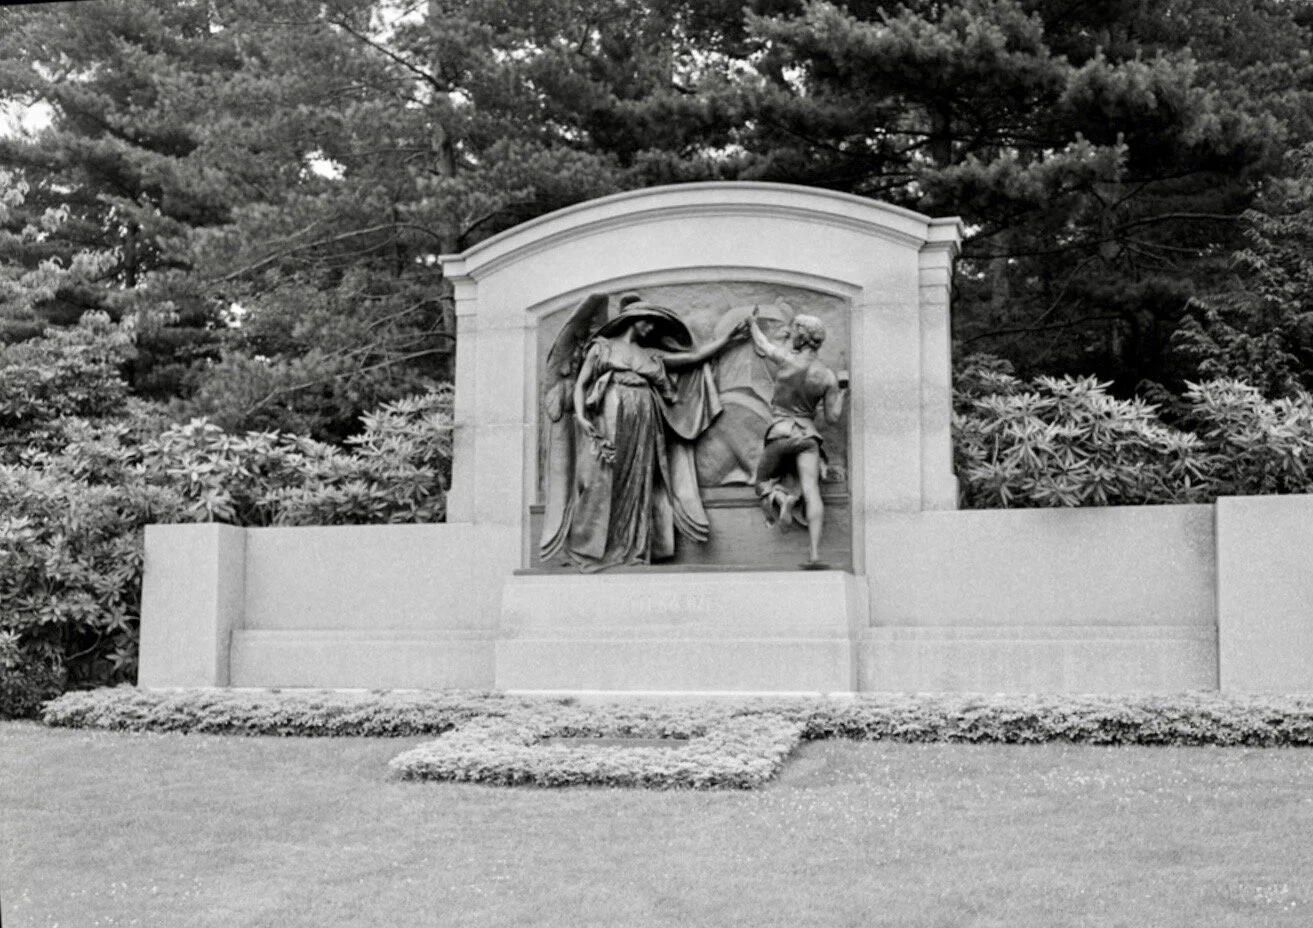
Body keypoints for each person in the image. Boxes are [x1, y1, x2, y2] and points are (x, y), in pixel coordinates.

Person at [540, 296, 748, 572]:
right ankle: (590, 549)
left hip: (643, 417)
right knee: (600, 479)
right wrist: (580, 417)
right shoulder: (602, 348)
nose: (650, 328)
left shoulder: (651, 355)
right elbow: (581, 385)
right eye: (647, 322)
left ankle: (633, 550)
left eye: (653, 324)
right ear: (632, 320)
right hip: (609, 415)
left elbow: (693, 358)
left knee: (638, 481)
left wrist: (728, 340)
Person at [747, 307, 847, 568]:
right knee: (813, 492)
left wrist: (752, 323)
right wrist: (843, 395)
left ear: (800, 338)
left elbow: (762, 344)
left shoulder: (786, 360)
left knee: (762, 481)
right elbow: (833, 418)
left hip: (781, 432)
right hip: (808, 437)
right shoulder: (827, 376)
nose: (790, 337)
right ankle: (814, 554)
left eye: (793, 334)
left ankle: (782, 499)